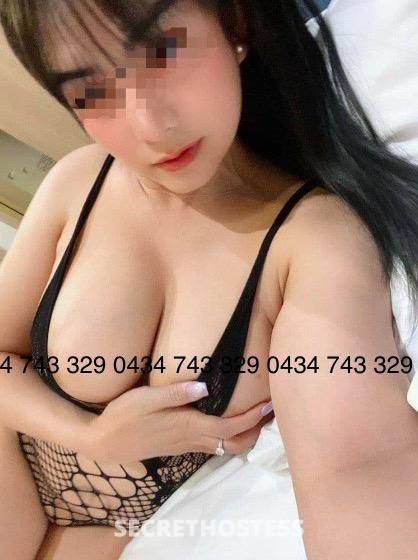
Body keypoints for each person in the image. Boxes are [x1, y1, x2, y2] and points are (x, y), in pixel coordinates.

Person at [0, 1, 417, 559]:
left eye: (162, 52)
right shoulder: (77, 182)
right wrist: (90, 436)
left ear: (234, 23)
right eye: (92, 91)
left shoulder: (314, 241)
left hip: (110, 532)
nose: (150, 127)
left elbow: (358, 469)